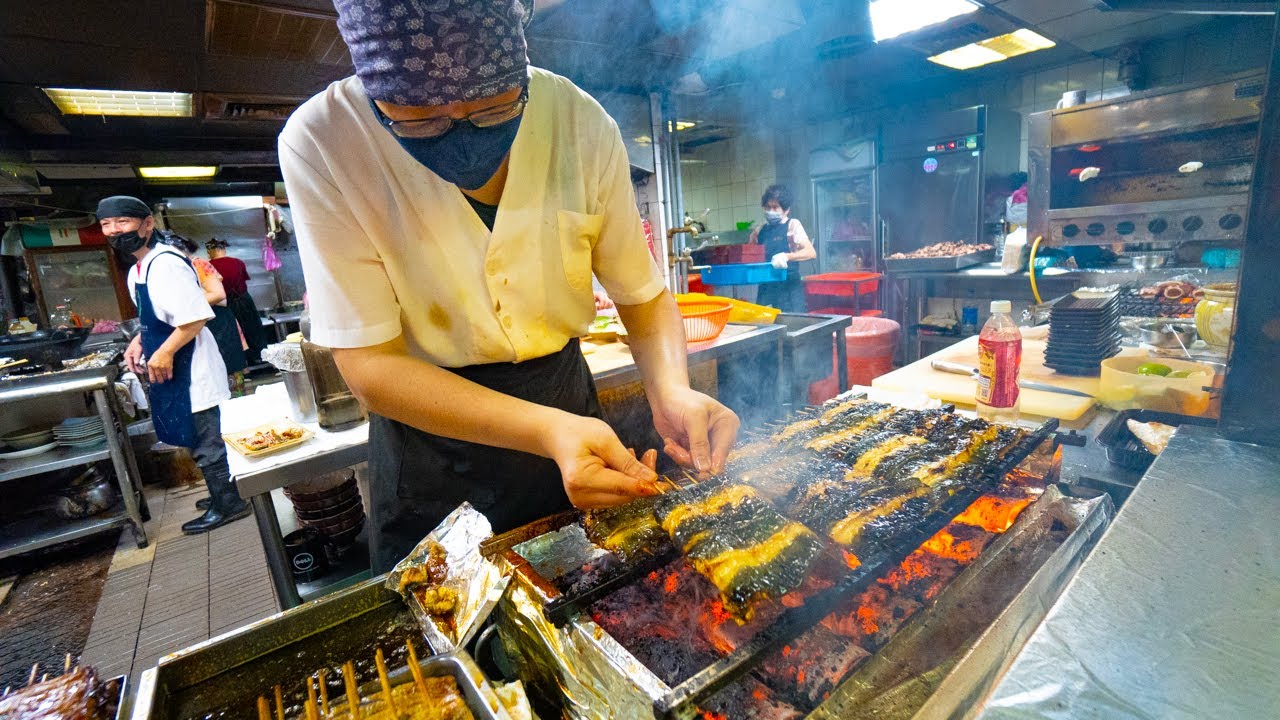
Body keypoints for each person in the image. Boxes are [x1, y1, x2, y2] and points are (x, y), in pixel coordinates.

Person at [280, 0, 740, 571]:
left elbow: (643, 297)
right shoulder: (324, 140)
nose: (462, 132)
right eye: (419, 118)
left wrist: (672, 390)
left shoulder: (578, 120)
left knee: (600, 588)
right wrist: (550, 432)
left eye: (496, 109)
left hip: (566, 397)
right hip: (434, 442)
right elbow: (370, 366)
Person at [96, 196, 250, 533]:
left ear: (147, 224)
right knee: (194, 434)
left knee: (206, 437)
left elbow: (196, 316)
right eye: (106, 224)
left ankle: (231, 504)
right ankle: (219, 493)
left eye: (122, 222)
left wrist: (163, 352)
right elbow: (156, 316)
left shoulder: (166, 262)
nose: (114, 231)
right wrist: (138, 341)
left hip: (192, 365)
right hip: (173, 364)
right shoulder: (140, 267)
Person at [164, 234, 248, 394]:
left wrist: (183, 305)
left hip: (218, 323)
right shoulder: (180, 268)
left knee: (229, 372)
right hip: (204, 323)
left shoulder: (198, 264)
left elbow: (218, 294)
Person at [750, 184, 816, 312]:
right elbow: (750, 256)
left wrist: (787, 256)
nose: (771, 211)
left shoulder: (792, 225)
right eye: (768, 207)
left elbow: (811, 252)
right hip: (766, 289)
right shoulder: (760, 229)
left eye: (775, 207)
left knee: (793, 327)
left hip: (789, 290)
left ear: (786, 210)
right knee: (766, 328)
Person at [205, 238, 271, 364]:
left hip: (225, 304)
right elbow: (243, 280)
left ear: (211, 251)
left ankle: (243, 363)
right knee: (253, 328)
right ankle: (261, 358)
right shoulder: (238, 262)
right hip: (244, 300)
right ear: (223, 250)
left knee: (233, 334)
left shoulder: (209, 266)